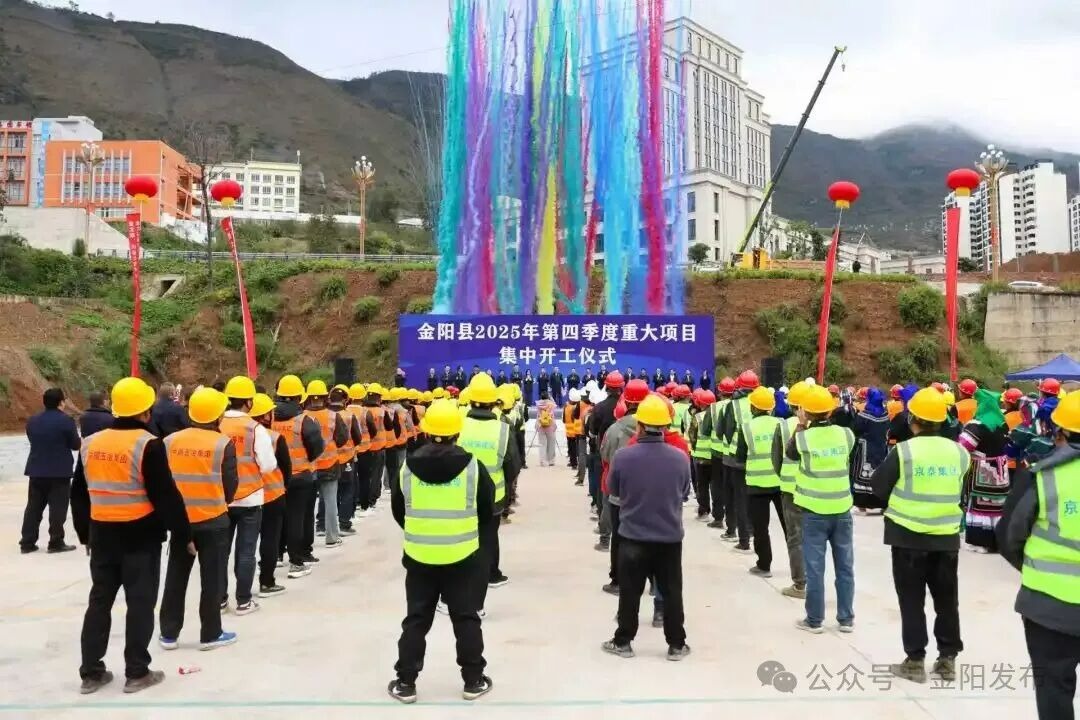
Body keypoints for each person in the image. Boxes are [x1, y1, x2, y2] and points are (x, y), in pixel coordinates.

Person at [71, 377, 191, 695]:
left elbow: (78, 494)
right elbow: (165, 495)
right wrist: (183, 533)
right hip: (140, 538)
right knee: (140, 603)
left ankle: (91, 673)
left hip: (102, 535)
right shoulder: (147, 444)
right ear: (145, 411)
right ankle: (137, 672)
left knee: (99, 602)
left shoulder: (91, 443)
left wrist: (85, 535)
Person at [387, 400, 496, 703]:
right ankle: (473, 680)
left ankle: (406, 682)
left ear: (426, 430)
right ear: (457, 432)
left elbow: (399, 510)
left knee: (416, 620)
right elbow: (486, 511)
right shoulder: (473, 467)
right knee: (466, 619)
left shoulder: (406, 468)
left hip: (419, 557)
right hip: (462, 557)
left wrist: (422, 531)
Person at [870, 388, 970, 684]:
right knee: (947, 600)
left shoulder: (904, 452)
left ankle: (915, 661)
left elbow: (879, 487)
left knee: (912, 601)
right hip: (945, 538)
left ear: (912, 418)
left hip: (907, 537)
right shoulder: (960, 453)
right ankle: (947, 658)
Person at [1000, 391, 1080, 720]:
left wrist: (1036, 568)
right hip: (1048, 606)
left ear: (1060, 433)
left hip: (1049, 607)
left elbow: (1009, 537)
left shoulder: (1042, 476)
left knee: (1053, 690)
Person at [602, 395, 692, 661]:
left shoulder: (623, 457)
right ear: (665, 426)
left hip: (633, 536)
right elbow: (684, 492)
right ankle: (676, 644)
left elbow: (614, 491)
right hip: (669, 537)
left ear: (639, 425)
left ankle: (623, 642)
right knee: (672, 592)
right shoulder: (680, 458)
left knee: (630, 593)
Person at [158, 387, 239, 651]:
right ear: (217, 416)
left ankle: (168, 634)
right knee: (212, 579)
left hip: (181, 522)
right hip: (213, 520)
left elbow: (163, 481)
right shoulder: (223, 444)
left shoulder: (170, 441)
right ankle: (210, 634)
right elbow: (230, 484)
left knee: (176, 576)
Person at [788, 385, 856, 634]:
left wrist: (800, 424)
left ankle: (814, 620)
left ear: (805, 412)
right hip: (842, 510)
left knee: (815, 569)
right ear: (830, 411)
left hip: (814, 513)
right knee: (845, 566)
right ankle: (846, 619)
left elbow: (790, 453)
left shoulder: (803, 438)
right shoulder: (846, 434)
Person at [457, 373, 521, 612]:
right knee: (487, 541)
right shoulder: (502, 429)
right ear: (494, 400)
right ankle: (480, 598)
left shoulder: (458, 424)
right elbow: (513, 465)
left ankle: (455, 593)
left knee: (462, 543)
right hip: (493, 497)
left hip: (460, 496)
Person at [219, 376, 278, 615]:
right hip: (250, 497)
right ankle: (243, 600)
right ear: (249, 402)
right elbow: (268, 465)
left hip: (222, 498)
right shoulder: (255, 429)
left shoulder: (217, 424)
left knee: (221, 551)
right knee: (246, 551)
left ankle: (219, 599)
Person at [598, 379, 650, 596]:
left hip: (619, 494)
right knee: (648, 537)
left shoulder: (615, 429)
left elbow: (605, 456)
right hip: (647, 494)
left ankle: (618, 581)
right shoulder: (656, 426)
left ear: (625, 400)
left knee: (619, 539)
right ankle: (652, 581)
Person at [272, 375, 323, 578]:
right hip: (300, 476)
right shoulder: (304, 421)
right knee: (297, 518)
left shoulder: (270, 418)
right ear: (298, 397)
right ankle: (296, 561)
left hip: (275, 477)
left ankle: (276, 556)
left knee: (277, 518)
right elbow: (316, 447)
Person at [21, 387, 81, 554]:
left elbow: (31, 438)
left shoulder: (33, 420)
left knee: (33, 507)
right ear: (61, 402)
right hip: (59, 471)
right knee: (58, 508)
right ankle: (55, 541)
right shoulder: (66, 421)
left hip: (36, 469)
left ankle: (27, 542)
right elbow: (75, 445)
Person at [737, 387, 788, 580]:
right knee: (790, 528)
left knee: (760, 528)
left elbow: (740, 457)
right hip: (781, 483)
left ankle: (764, 565)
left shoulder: (746, 427)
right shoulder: (782, 424)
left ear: (753, 407)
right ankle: (800, 568)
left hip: (756, 485)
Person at [958, 388, 1011, 553]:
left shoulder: (976, 425)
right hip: (1001, 470)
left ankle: (981, 542)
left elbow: (963, 447)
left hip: (982, 470)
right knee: (997, 505)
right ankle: (997, 542)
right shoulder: (1003, 424)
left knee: (980, 505)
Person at [771, 381, 811, 599]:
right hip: (816, 490)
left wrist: (785, 476)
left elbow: (777, 457)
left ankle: (800, 585)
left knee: (795, 538)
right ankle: (815, 583)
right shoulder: (824, 426)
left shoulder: (784, 426)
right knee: (814, 538)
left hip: (791, 489)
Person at [250, 393, 290, 596]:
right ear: (266, 415)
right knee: (270, 539)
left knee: (245, 545)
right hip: (272, 495)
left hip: (243, 496)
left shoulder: (231, 433)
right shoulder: (274, 437)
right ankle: (267, 581)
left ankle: (225, 594)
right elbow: (286, 468)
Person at [718, 371, 759, 552]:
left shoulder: (733, 406)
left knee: (737, 498)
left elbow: (724, 431)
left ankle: (741, 537)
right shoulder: (762, 402)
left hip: (735, 458)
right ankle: (751, 530)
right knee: (753, 499)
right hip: (757, 458)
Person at [305, 380, 349, 550]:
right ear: (325, 397)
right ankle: (332, 537)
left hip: (309, 466)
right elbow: (342, 437)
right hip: (330, 464)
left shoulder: (302, 416)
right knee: (330, 501)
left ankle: (308, 540)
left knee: (307, 505)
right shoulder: (332, 416)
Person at [851, 387, 891, 513]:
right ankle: (881, 503)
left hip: (865, 449)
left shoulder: (863, 415)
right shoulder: (885, 415)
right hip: (881, 449)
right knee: (880, 474)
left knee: (863, 474)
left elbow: (855, 430)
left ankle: (862, 504)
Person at [535, 392, 558, 467]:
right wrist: (551, 398)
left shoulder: (538, 404)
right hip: (550, 426)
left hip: (541, 426)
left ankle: (542, 461)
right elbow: (555, 405)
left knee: (542, 444)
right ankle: (551, 461)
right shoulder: (551, 404)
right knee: (551, 444)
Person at [564, 389, 582, 471]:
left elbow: (564, 419)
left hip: (568, 431)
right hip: (576, 430)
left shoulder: (566, 406)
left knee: (571, 448)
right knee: (576, 448)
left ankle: (572, 462)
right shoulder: (577, 407)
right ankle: (576, 463)